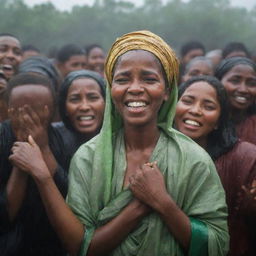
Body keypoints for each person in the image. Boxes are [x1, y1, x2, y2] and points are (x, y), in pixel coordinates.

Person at [9, 30, 228, 256]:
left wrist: (164, 204)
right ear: (111, 89)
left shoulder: (193, 159)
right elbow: (79, 246)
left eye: (149, 79)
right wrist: (138, 207)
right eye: (122, 79)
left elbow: (217, 245)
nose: (134, 88)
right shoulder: (88, 157)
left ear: (167, 91)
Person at [175, 75, 256, 256]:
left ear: (219, 121)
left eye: (208, 106)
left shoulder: (245, 159)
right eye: (187, 101)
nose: (196, 110)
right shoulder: (152, 150)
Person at [0, 72, 69, 256]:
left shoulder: (62, 139)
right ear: (8, 110)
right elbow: (4, 219)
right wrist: (21, 162)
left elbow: (70, 201)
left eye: (37, 111)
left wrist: (44, 148)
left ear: (52, 111)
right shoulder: (2, 137)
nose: (28, 118)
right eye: (22, 110)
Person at [55, 69, 105, 158]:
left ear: (106, 103)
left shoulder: (123, 138)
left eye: (93, 98)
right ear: (64, 107)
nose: (84, 107)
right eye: (75, 99)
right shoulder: (55, 138)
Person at [215, 57, 256, 144]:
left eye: (251, 84)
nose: (243, 89)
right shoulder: (205, 120)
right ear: (217, 82)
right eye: (235, 81)